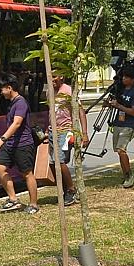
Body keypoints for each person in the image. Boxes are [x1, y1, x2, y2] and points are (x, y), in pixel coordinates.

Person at [0, 75, 39, 214]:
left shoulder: (21, 103)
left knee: (27, 173)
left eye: (2, 89)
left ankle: (33, 204)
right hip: (11, 143)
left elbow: (17, 123)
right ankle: (13, 200)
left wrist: (3, 138)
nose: (1, 92)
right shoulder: (12, 103)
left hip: (23, 144)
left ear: (9, 88)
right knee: (0, 168)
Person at [51, 70, 87, 206]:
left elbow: (80, 112)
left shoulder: (68, 91)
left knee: (59, 161)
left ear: (61, 76)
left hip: (66, 132)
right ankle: (65, 190)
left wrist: (84, 133)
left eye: (54, 76)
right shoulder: (49, 91)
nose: (52, 79)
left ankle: (71, 190)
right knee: (52, 163)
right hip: (52, 131)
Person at [108, 65, 134, 188]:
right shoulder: (119, 89)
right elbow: (109, 105)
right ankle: (125, 173)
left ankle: (129, 175)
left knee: (122, 150)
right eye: (123, 76)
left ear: (133, 79)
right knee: (118, 151)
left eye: (127, 77)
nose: (124, 79)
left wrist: (118, 106)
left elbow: (133, 112)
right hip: (118, 123)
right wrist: (109, 103)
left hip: (128, 125)